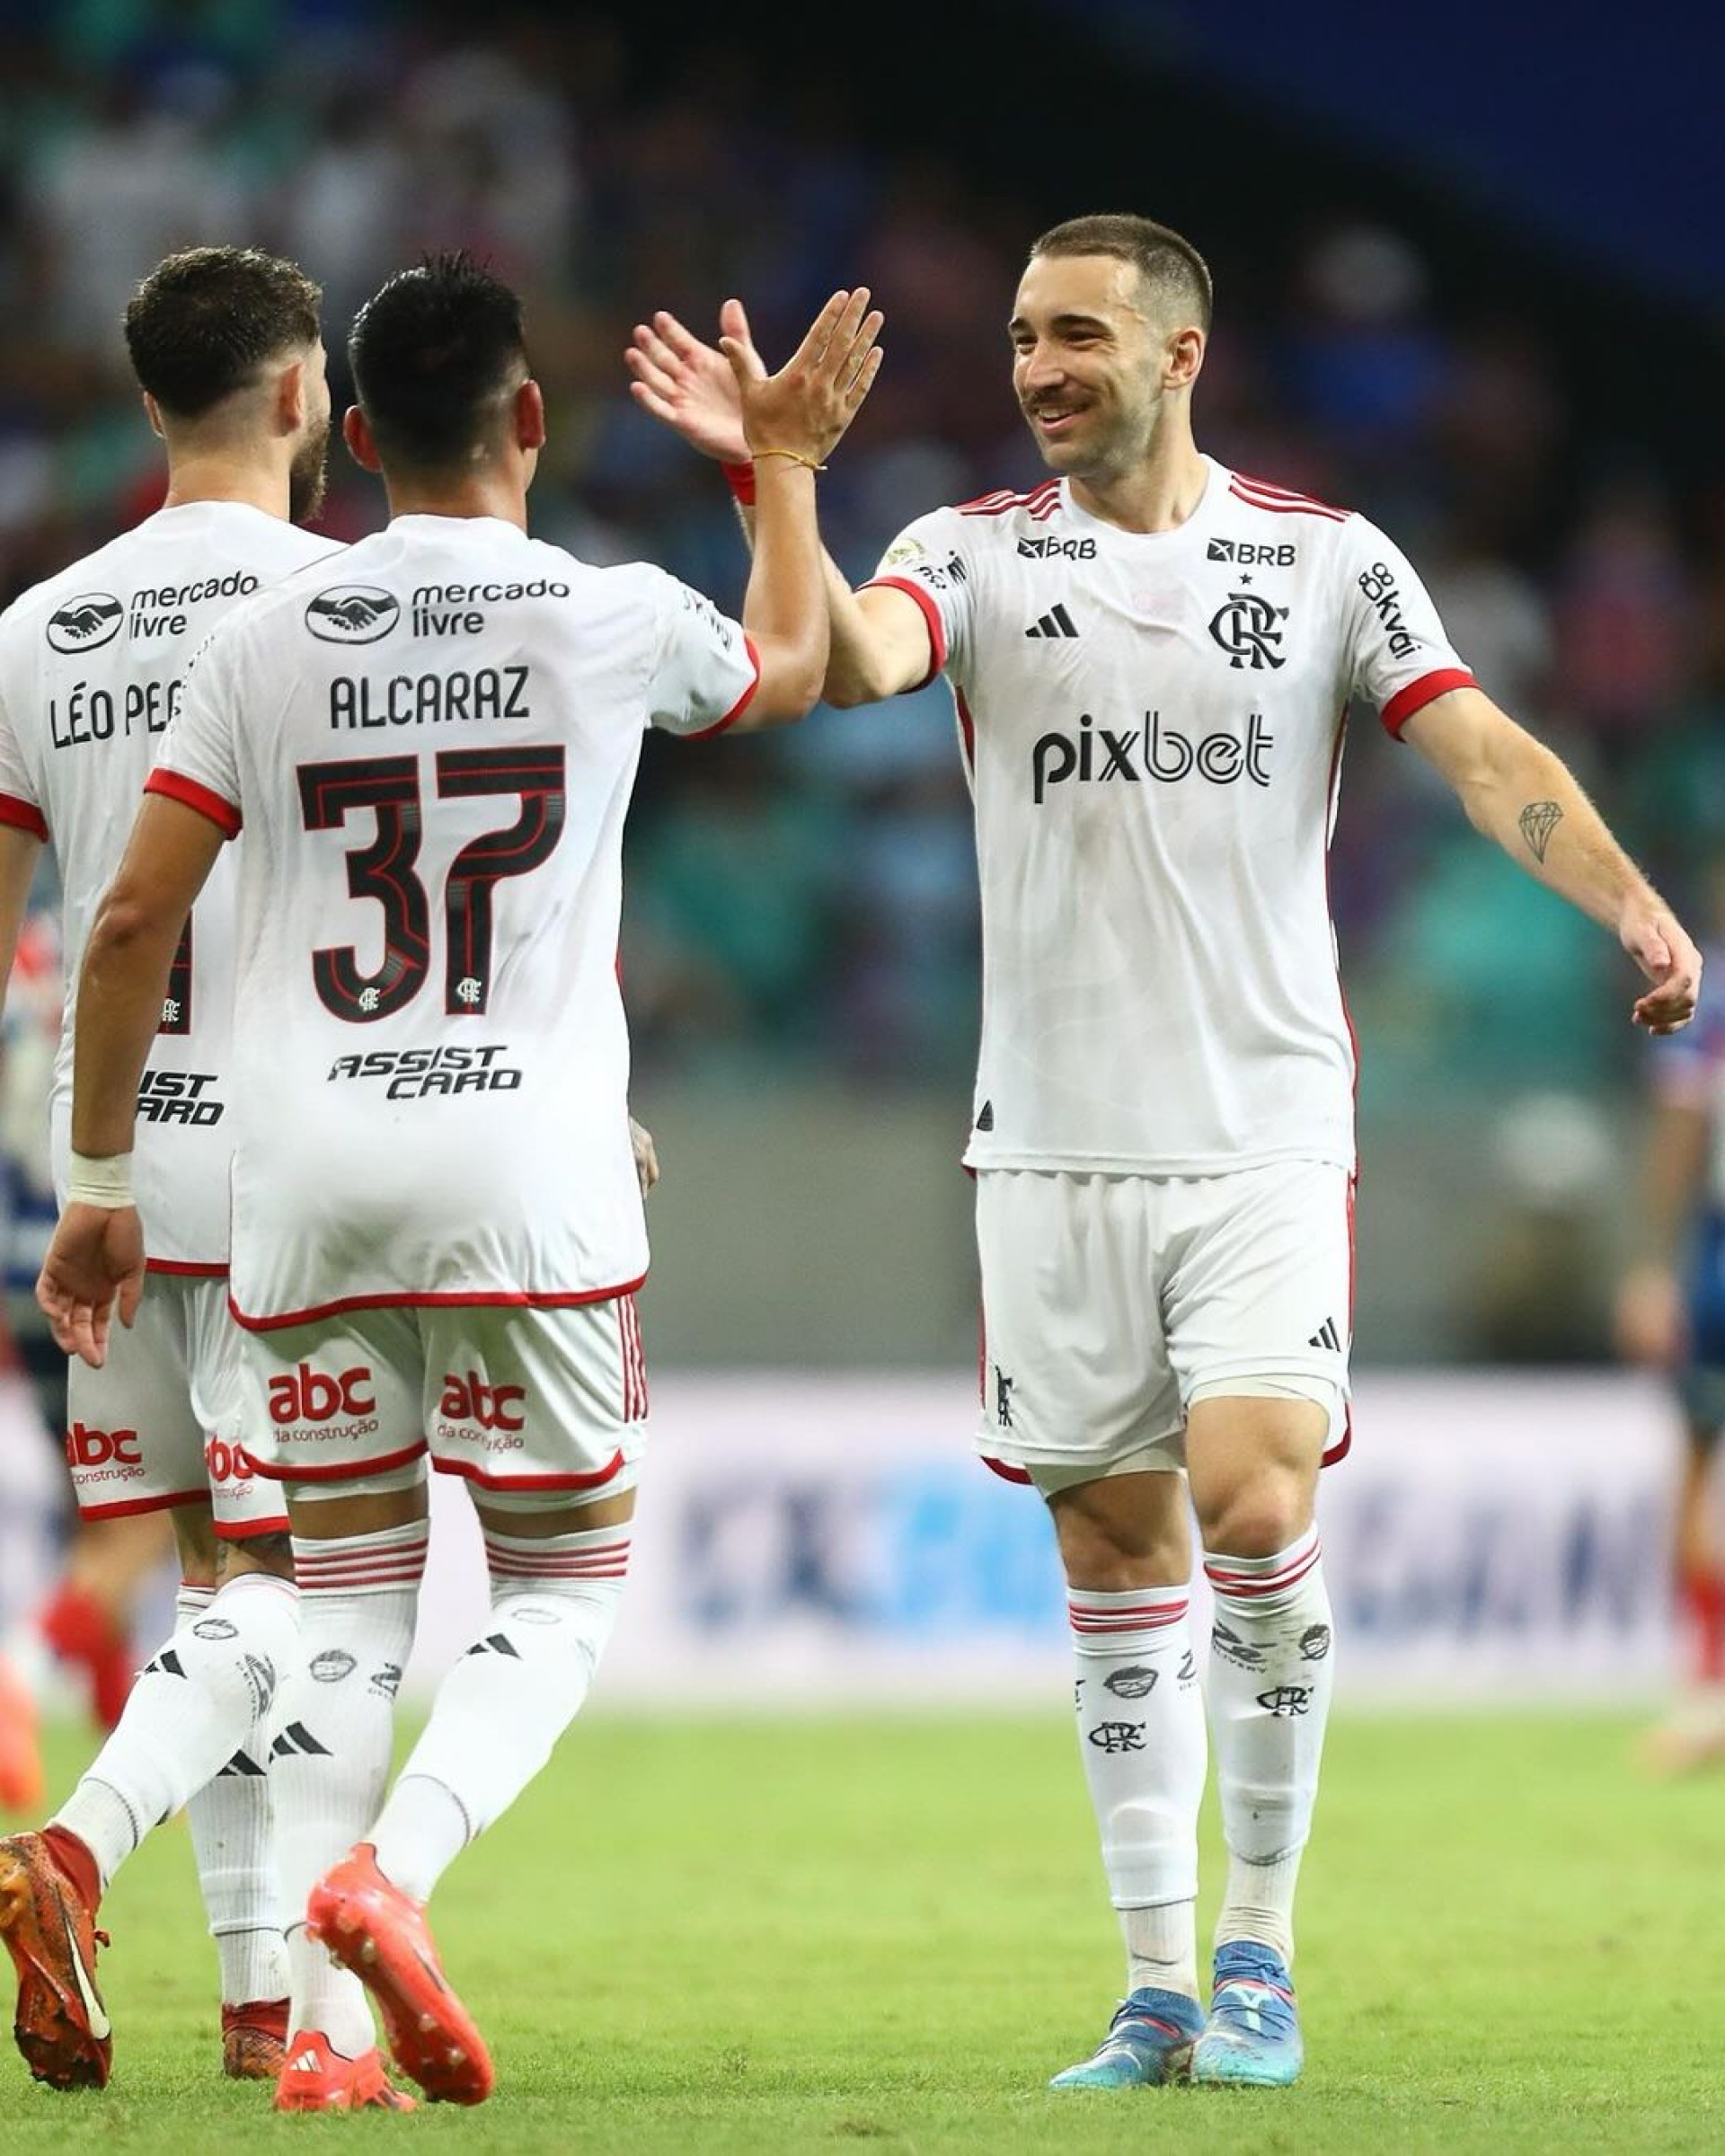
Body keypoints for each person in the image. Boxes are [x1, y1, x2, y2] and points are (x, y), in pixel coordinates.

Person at [626, 211, 1703, 2090]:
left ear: (1180, 353)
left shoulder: (1324, 561)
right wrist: (778, 474)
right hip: (1048, 1147)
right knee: (1115, 1556)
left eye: (1078, 336)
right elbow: (836, 663)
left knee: (1256, 1506)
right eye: (1024, 336)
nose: (1039, 369)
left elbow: (1483, 753)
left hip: (1260, 1131)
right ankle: (1152, 1989)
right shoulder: (967, 551)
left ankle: (1261, 1957)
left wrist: (1629, 901)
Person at [36, 252, 880, 2112]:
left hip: (306, 1187)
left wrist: (97, 1178)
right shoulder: (608, 612)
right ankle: (389, 1876)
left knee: (343, 1599)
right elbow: (803, 666)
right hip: (526, 1172)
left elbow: (129, 923)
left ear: (354, 436)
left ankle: (321, 2047)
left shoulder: (262, 640)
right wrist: (784, 464)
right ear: (533, 418)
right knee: (562, 1585)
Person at [0, 244, 337, 2091]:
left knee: (218, 1580)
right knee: (309, 1581)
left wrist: (74, 1163)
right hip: (297, 1156)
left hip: (109, 1163)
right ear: (300, 393)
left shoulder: (34, 631)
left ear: (149, 403)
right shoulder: (345, 605)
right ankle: (71, 1846)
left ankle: (256, 1996)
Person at [1615, 877, 1725, 1774]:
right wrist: (1657, 1270)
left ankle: (1709, 1691)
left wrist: (1655, 1265)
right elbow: (1682, 1129)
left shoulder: (1713, 993)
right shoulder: (1711, 993)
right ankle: (1709, 1686)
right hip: (1717, 1257)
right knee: (1695, 1459)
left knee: (1696, 1466)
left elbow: (1680, 1130)